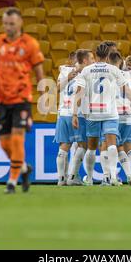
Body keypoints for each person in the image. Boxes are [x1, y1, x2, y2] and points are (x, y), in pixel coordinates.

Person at [0, 7, 44, 194]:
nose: (8, 27)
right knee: (4, 144)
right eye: (5, 23)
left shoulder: (30, 44)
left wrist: (43, 92)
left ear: (20, 23)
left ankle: (12, 182)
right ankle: (23, 168)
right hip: (2, 98)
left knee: (17, 140)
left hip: (22, 98)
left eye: (12, 23)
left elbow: (39, 71)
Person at [72, 43, 131, 186]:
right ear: (107, 56)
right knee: (112, 145)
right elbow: (126, 89)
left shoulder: (86, 70)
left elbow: (78, 93)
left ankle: (90, 178)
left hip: (93, 113)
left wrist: (75, 113)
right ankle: (112, 177)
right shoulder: (113, 70)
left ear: (96, 54)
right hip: (110, 113)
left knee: (92, 147)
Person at [54, 49, 95, 186]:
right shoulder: (85, 73)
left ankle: (61, 179)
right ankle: (72, 176)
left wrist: (67, 77)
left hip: (63, 113)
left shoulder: (64, 71)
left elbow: (57, 88)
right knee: (83, 145)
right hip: (77, 114)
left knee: (65, 145)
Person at [107, 51, 131, 185]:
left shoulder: (107, 75)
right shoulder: (129, 75)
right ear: (121, 62)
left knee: (118, 148)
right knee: (130, 148)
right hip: (129, 114)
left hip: (115, 115)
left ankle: (130, 175)